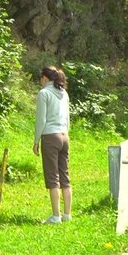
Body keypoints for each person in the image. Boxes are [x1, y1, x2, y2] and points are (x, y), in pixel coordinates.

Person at [33, 65, 72, 224]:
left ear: (44, 77)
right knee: (65, 176)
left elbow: (41, 120)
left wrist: (36, 141)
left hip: (50, 136)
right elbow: (68, 119)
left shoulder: (44, 94)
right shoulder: (64, 93)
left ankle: (56, 216)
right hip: (64, 136)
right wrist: (65, 132)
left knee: (52, 177)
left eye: (40, 78)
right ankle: (67, 214)